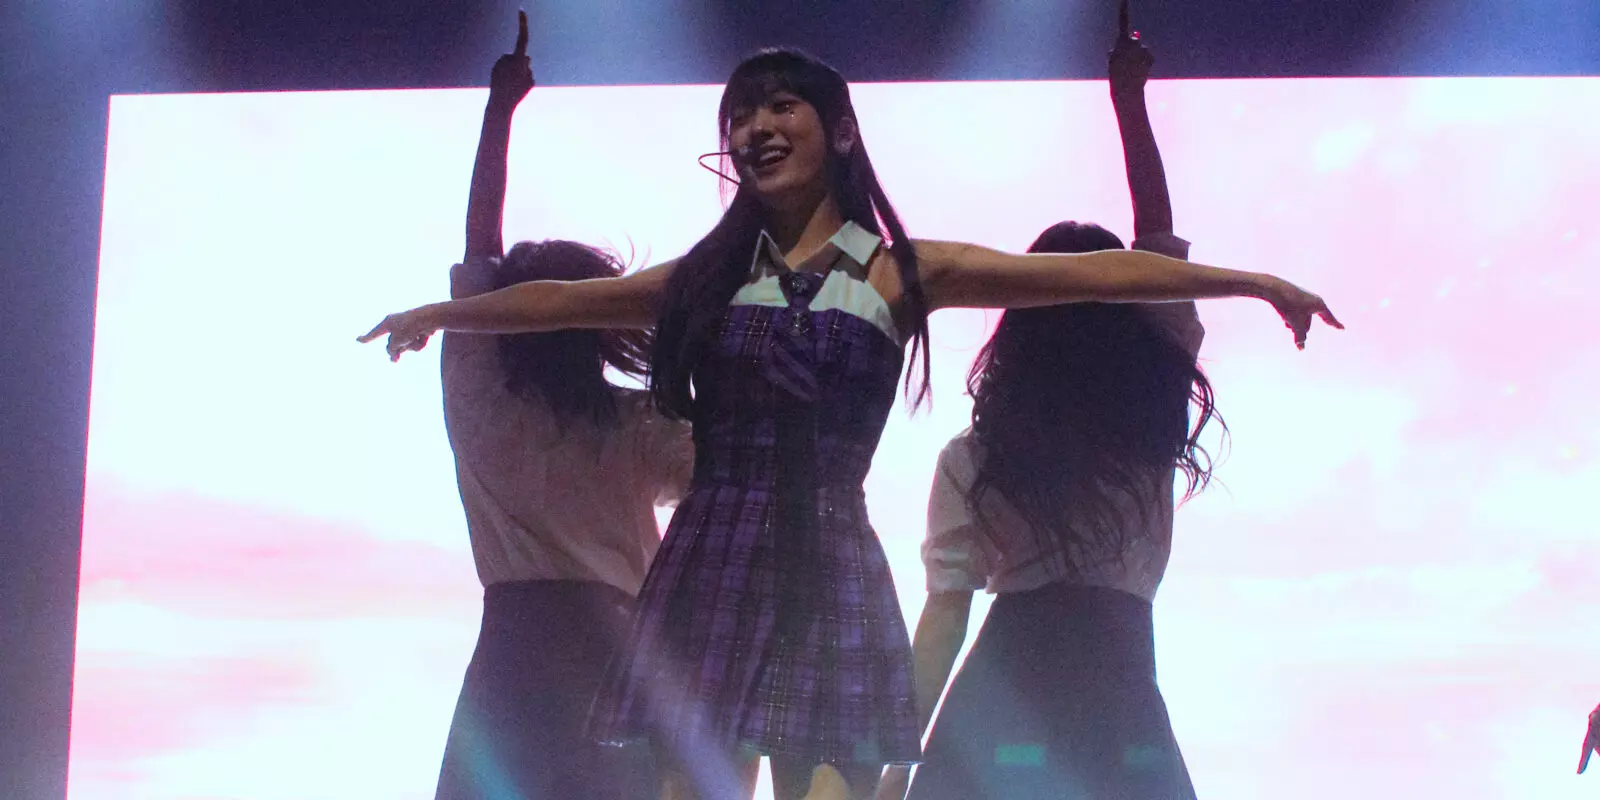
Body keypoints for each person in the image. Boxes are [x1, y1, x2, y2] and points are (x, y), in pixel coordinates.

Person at [359, 39, 1341, 800]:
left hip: (804, 568)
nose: (756, 127)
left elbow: (1105, 277)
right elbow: (563, 304)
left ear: (835, 133)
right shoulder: (704, 292)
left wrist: (1261, 283)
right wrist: (444, 313)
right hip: (734, 563)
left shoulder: (906, 299)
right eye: (742, 115)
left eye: (779, 108)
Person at [893, 13, 1216, 800]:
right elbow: (1158, 243)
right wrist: (1130, 105)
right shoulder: (1147, 429)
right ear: (1127, 317)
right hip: (1120, 691)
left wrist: (891, 773)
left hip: (998, 701)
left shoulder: (978, 456)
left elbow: (945, 619)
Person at [429, 15, 691, 799]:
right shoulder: (638, 424)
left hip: (513, 650)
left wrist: (498, 110)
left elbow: (480, 248)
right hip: (619, 647)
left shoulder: (480, 397)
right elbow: (716, 467)